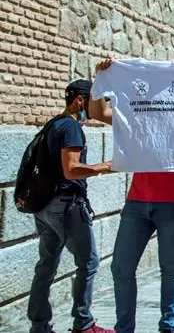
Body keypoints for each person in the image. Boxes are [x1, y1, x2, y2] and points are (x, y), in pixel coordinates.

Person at [91, 59, 174, 333]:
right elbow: (98, 111)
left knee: (169, 269)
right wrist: (101, 77)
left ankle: (166, 327)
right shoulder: (137, 112)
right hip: (137, 201)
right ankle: (125, 329)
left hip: (173, 203)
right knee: (121, 268)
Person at [27, 80, 114, 333]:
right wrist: (104, 166)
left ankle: (39, 326)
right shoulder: (71, 128)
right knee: (89, 262)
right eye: (94, 102)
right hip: (65, 206)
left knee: (46, 265)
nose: (97, 108)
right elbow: (71, 169)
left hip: (44, 206)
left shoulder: (53, 124)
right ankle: (83, 324)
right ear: (80, 100)